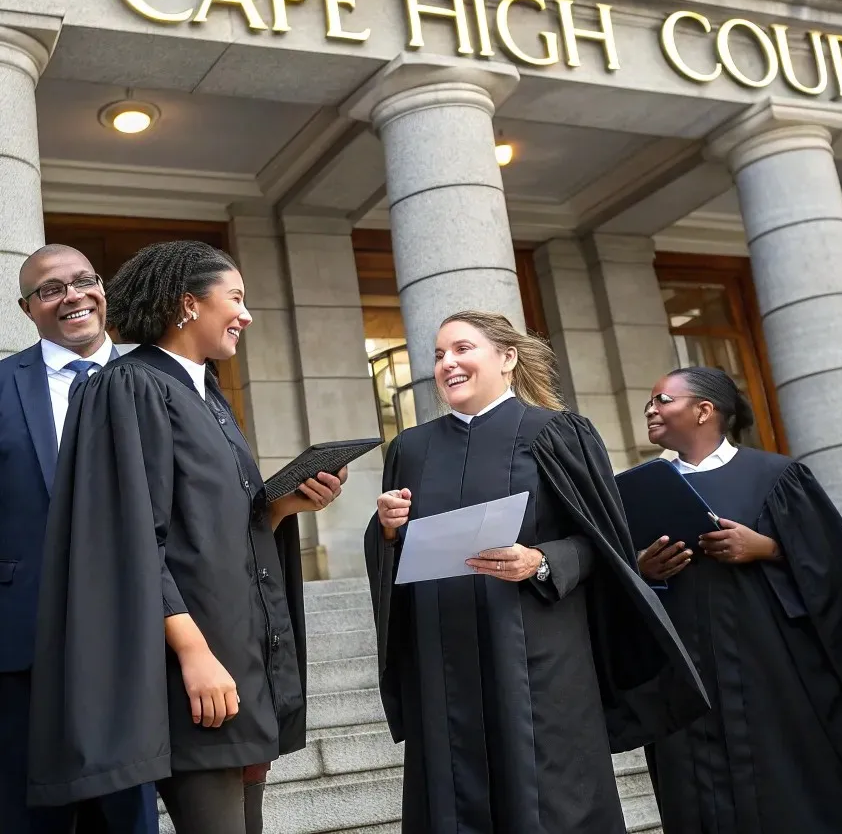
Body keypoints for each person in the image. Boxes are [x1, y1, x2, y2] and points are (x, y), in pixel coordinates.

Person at [27, 240, 345, 834]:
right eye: (236, 298)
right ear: (189, 305)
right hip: (193, 666)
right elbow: (132, 538)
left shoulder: (210, 396)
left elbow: (210, 528)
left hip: (239, 654)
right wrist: (194, 653)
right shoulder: (131, 385)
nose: (246, 314)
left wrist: (279, 510)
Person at [365, 310, 708, 834]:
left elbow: (606, 546)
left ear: (507, 358)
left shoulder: (555, 432)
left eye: (462, 349)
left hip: (538, 655)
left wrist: (541, 560)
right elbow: (396, 557)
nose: (447, 364)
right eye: (438, 355)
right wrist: (387, 529)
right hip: (443, 662)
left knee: (552, 800)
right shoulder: (411, 448)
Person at [640, 366, 842, 834]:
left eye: (662, 400)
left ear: (704, 411)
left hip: (774, 675)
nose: (650, 408)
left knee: (792, 792)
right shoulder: (642, 487)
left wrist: (767, 547)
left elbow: (835, 573)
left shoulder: (775, 476)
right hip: (685, 680)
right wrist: (643, 569)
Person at [0, 244, 158, 834]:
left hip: (138, 634)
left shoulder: (156, 378)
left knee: (129, 815)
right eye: (50, 289)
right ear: (27, 309)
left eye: (84, 280)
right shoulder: (1, 384)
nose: (72, 295)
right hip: (23, 638)